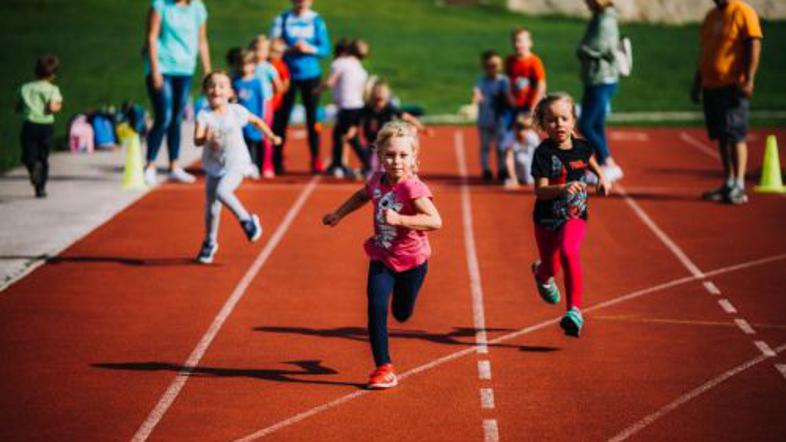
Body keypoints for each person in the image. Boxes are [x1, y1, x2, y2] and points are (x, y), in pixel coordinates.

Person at [322, 121, 442, 389]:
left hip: (413, 262)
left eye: (403, 155)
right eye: (389, 155)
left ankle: (404, 304)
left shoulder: (413, 188)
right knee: (375, 307)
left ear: (414, 159)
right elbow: (361, 195)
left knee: (401, 313)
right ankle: (383, 367)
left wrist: (400, 218)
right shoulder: (377, 180)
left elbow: (435, 221)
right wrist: (338, 214)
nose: (396, 161)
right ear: (380, 156)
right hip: (382, 255)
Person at [529, 93, 610, 337]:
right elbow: (540, 191)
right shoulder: (543, 153)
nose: (559, 124)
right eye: (551, 120)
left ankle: (574, 311)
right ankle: (541, 273)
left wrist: (601, 177)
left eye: (564, 118)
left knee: (568, 250)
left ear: (573, 120)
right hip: (545, 218)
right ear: (543, 125)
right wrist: (562, 188)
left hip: (574, 214)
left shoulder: (582, 146)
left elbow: (589, 159)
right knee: (550, 268)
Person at [194, 71, 282, 264]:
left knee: (222, 191)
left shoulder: (236, 111)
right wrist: (204, 138)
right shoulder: (204, 115)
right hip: (214, 165)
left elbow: (257, 121)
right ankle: (210, 243)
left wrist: (271, 136)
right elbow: (197, 139)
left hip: (237, 162)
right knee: (212, 208)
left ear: (230, 91)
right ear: (205, 91)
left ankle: (247, 221)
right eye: (211, 86)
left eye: (221, 85)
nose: (216, 89)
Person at [691, 0, 762, 205]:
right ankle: (729, 181)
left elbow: (754, 44)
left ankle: (739, 185)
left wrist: (749, 78)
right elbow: (705, 53)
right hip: (711, 86)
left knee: (735, 134)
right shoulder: (711, 16)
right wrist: (698, 83)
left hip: (733, 85)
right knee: (722, 135)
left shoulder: (743, 12)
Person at [143, 0, 211, 186]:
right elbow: (152, 37)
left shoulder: (198, 8)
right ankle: (150, 165)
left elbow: (202, 41)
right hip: (162, 67)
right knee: (163, 116)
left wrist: (207, 72)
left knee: (176, 118)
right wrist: (155, 70)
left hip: (185, 68)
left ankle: (174, 165)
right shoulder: (160, 6)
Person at [269, 0, 331, 174]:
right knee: (281, 118)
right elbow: (272, 46)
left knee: (313, 119)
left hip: (311, 75)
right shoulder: (282, 19)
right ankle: (277, 159)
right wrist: (288, 49)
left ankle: (315, 158)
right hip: (286, 76)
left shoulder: (317, 20)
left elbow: (325, 49)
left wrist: (308, 48)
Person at [577, 0, 624, 183]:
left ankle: (609, 163)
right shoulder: (598, 17)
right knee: (596, 124)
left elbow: (601, 47)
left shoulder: (605, 21)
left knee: (585, 125)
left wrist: (582, 50)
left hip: (603, 78)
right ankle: (603, 164)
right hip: (595, 77)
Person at [351, 80, 429, 176]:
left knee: (383, 164)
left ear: (387, 97)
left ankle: (388, 177)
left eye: (382, 98)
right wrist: (351, 132)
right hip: (371, 143)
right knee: (371, 165)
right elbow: (356, 123)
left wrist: (422, 128)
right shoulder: (366, 109)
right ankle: (370, 174)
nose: (379, 101)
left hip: (386, 142)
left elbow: (407, 117)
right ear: (372, 96)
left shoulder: (389, 108)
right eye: (377, 98)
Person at [16, 54, 63, 198]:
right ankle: (40, 188)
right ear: (53, 75)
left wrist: (20, 110)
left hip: (30, 124)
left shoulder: (24, 88)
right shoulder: (53, 89)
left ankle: (32, 167)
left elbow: (18, 106)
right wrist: (56, 106)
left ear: (36, 71)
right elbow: (54, 107)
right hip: (46, 126)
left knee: (28, 155)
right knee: (43, 158)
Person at [324, 38, 370, 178]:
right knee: (340, 135)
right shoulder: (358, 66)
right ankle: (337, 164)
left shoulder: (339, 63)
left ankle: (368, 164)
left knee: (350, 137)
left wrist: (316, 90)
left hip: (347, 106)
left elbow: (330, 83)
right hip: (357, 105)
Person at [472, 49, 510, 182]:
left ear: (499, 66)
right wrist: (476, 100)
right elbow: (477, 93)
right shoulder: (481, 81)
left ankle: (502, 169)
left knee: (501, 146)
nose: (491, 69)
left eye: (494, 65)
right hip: (485, 120)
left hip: (501, 120)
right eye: (488, 66)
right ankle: (486, 170)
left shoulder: (504, 81)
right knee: (485, 146)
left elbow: (509, 98)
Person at [250, 35, 283, 178]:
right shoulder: (249, 67)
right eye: (256, 49)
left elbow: (279, 86)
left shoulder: (268, 68)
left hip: (265, 104)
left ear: (267, 52)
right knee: (250, 134)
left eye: (262, 50)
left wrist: (270, 97)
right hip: (250, 104)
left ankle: (267, 165)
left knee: (266, 134)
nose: (258, 53)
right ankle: (251, 164)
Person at [232, 50, 268, 179]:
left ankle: (255, 165)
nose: (244, 68)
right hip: (240, 121)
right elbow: (233, 101)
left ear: (253, 65)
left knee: (255, 142)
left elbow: (261, 100)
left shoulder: (256, 82)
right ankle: (243, 166)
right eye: (242, 65)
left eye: (247, 64)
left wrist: (260, 117)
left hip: (254, 118)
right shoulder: (236, 83)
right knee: (242, 143)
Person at [505, 27, 546, 130]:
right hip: (514, 105)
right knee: (511, 133)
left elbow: (541, 84)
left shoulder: (534, 62)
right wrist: (509, 98)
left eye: (521, 41)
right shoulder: (510, 60)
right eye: (515, 41)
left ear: (530, 43)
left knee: (528, 133)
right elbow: (507, 82)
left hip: (529, 105)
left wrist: (534, 105)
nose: (518, 44)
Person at [268, 37, 291, 174]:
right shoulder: (265, 65)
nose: (277, 55)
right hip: (265, 106)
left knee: (278, 133)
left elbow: (286, 83)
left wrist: (278, 88)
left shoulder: (281, 65)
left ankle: (277, 161)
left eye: (280, 53)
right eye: (275, 52)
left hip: (277, 106)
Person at [502, 113, 540, 189]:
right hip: (516, 167)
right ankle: (515, 177)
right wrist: (513, 178)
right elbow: (509, 159)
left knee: (529, 179)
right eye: (520, 128)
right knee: (520, 158)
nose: (522, 131)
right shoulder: (510, 137)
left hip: (530, 166)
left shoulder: (533, 137)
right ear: (515, 128)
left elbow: (540, 156)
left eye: (526, 128)